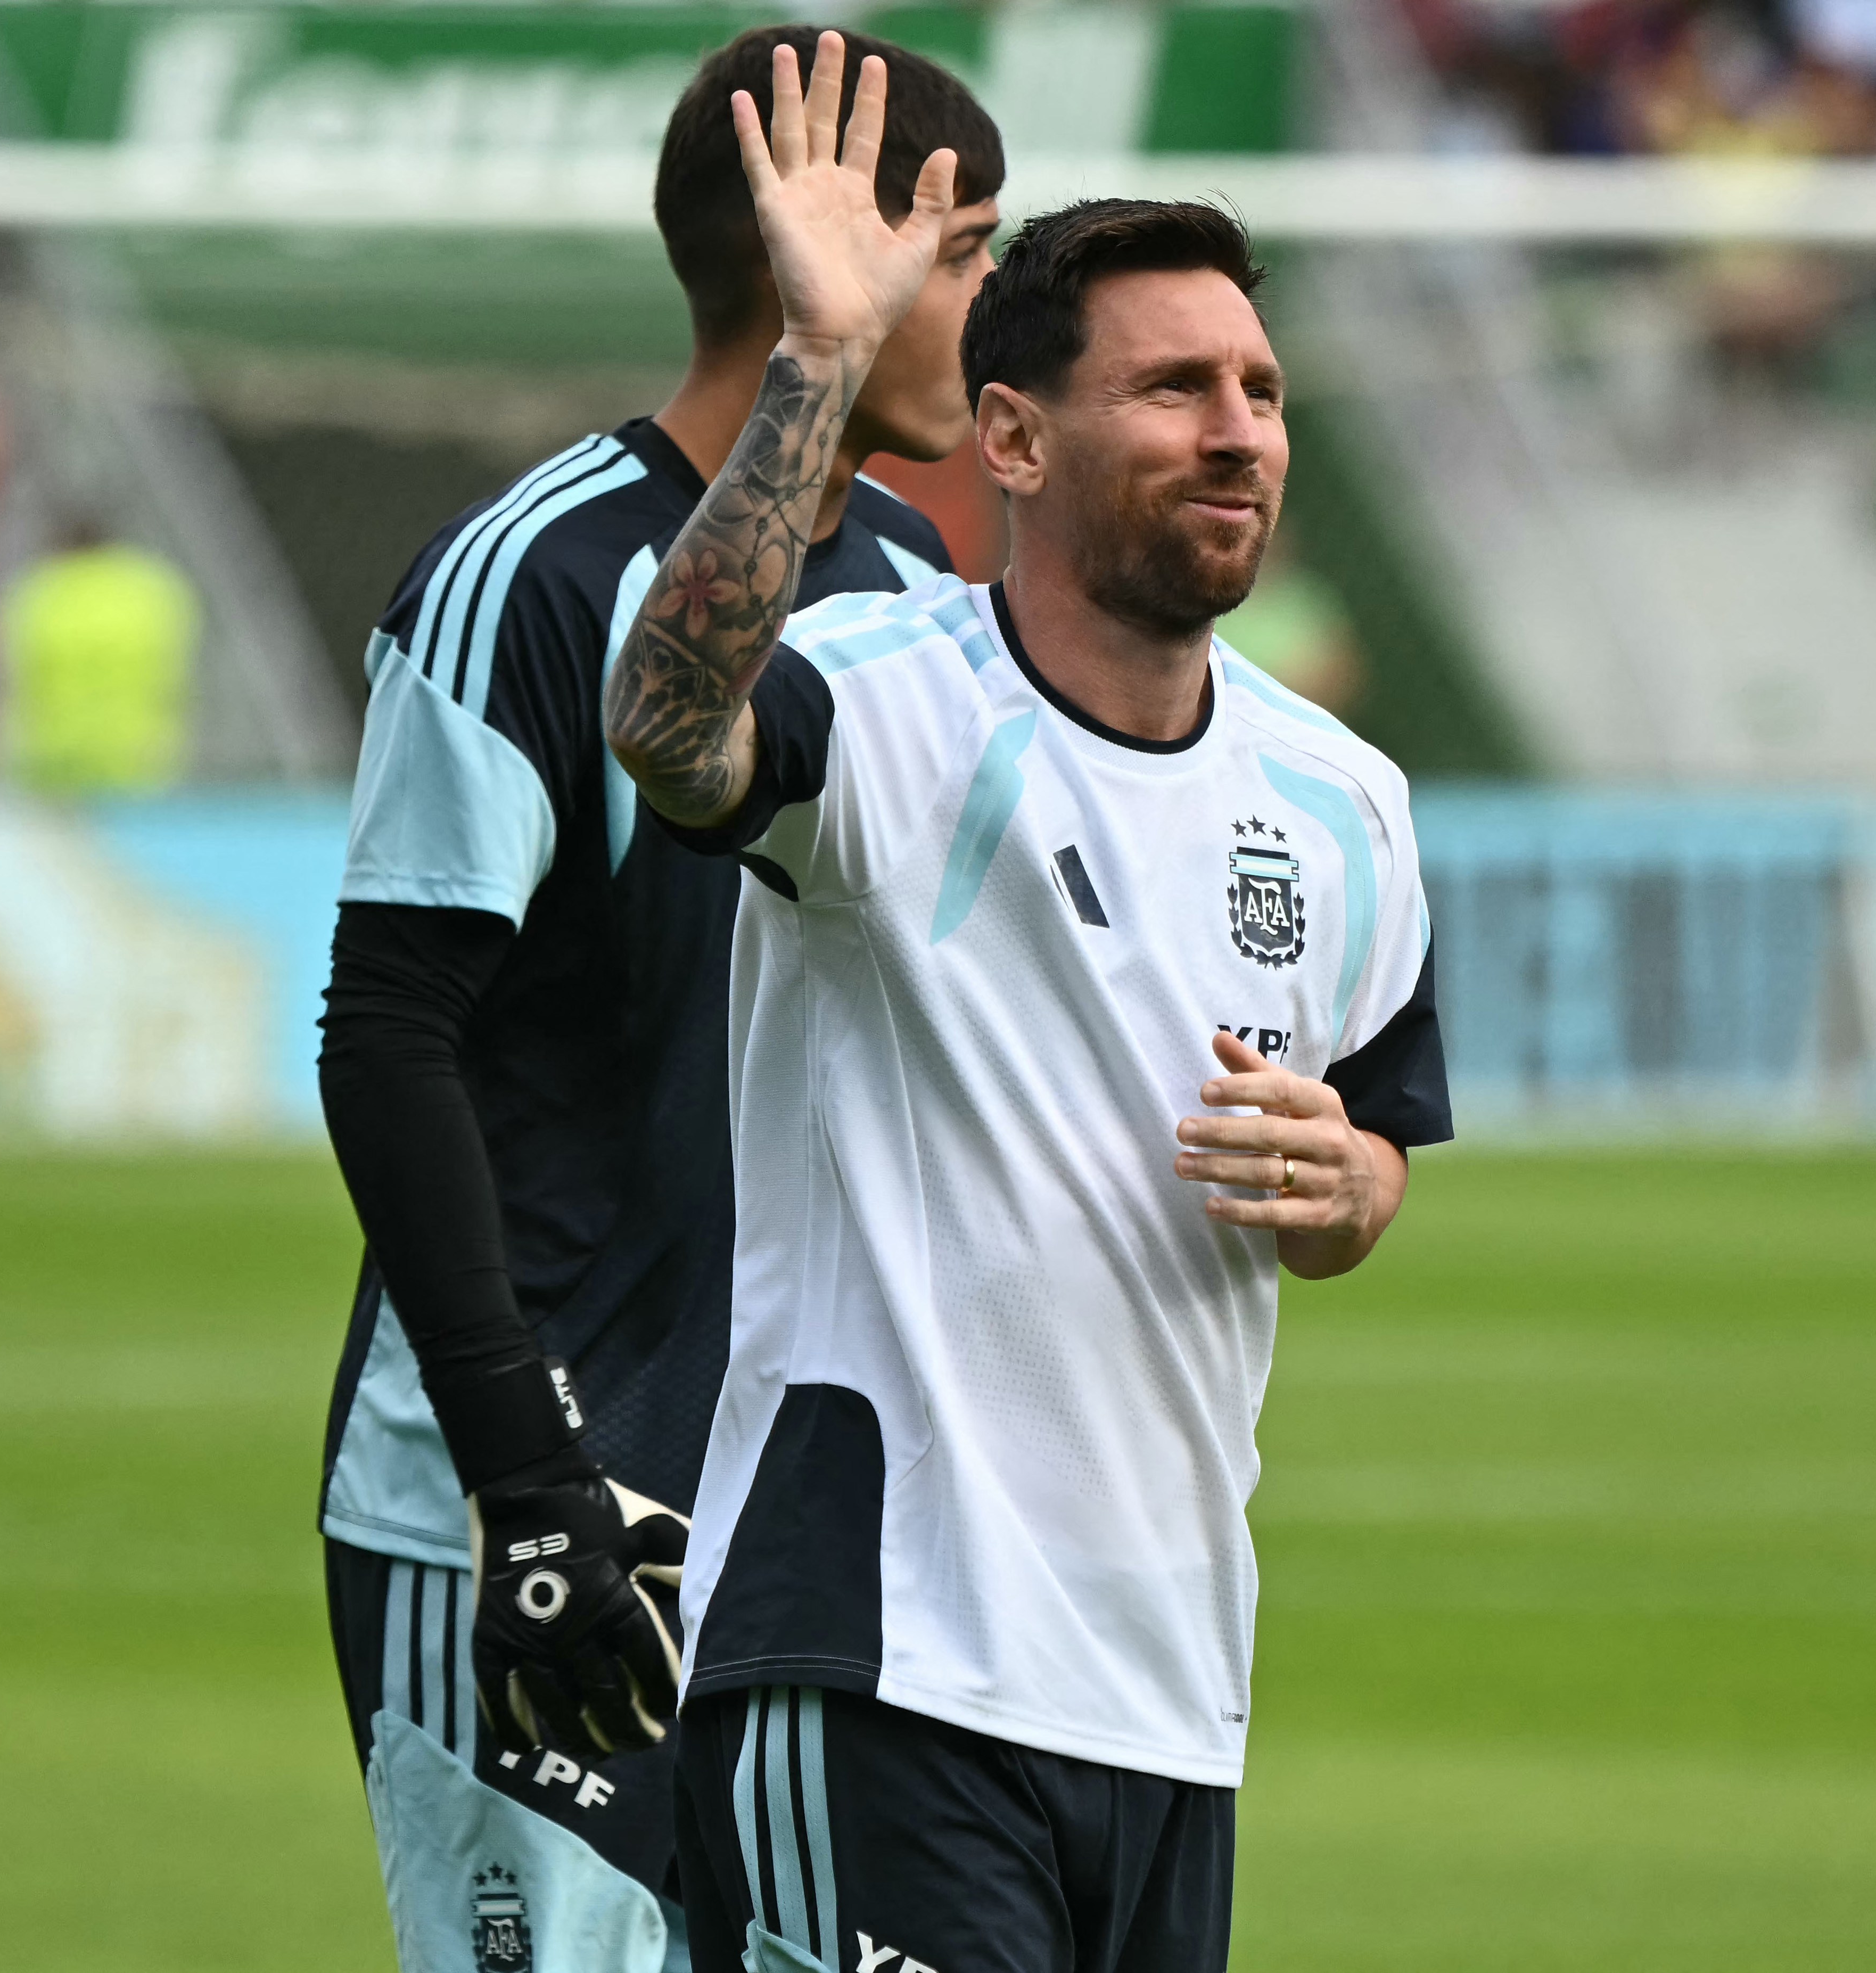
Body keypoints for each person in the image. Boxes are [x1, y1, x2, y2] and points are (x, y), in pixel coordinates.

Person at [600, 44, 1450, 1973]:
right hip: (877, 1652)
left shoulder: (1346, 802)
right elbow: (662, 726)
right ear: (1010, 438)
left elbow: (1373, 1152)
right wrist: (819, 364)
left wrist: (1349, 1186)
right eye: (1170, 388)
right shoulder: (883, 698)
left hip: (1167, 1696)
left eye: (1258, 390)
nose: (1236, 432)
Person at [312, 24, 1003, 1967]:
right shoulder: (527, 576)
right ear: (818, 261)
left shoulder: (915, 584)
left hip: (802, 1514)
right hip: (534, 1500)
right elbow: (387, 1035)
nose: (996, 308)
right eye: (965, 253)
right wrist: (524, 1475)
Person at [0, 519, 196, 796]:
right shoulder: (150, 590)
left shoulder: (41, 592)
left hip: (53, 758)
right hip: (138, 757)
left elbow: (13, 676)